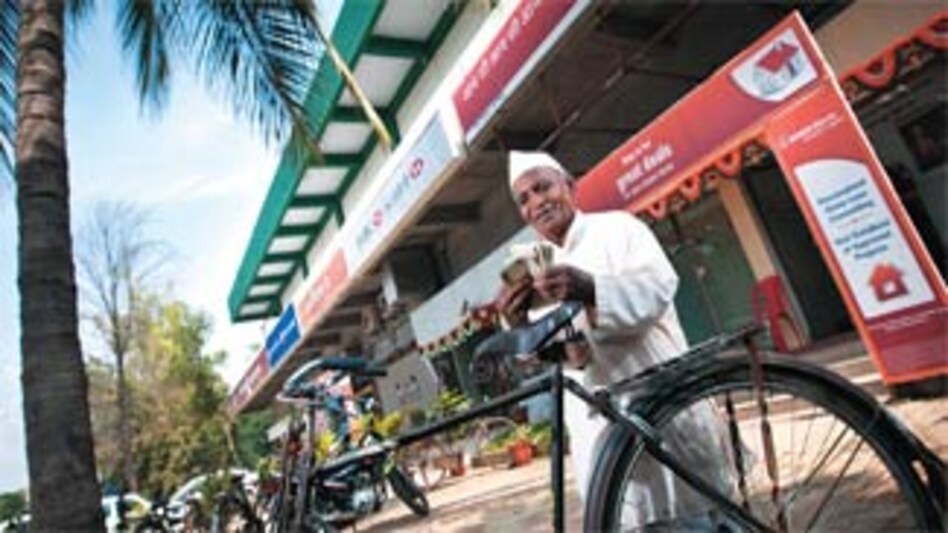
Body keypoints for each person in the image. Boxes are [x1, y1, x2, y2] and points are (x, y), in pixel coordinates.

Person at [496, 150, 735, 528]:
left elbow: (658, 287)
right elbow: (573, 357)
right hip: (602, 433)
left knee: (699, 519)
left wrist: (592, 289)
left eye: (543, 188)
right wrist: (520, 324)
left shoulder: (618, 229)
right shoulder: (536, 272)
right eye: (524, 199)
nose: (536, 202)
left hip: (666, 407)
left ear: (569, 186)